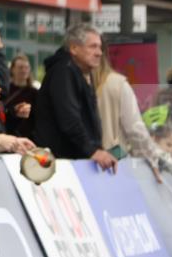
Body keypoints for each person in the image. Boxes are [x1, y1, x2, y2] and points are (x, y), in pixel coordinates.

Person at [34, 24, 117, 172]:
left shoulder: (78, 72)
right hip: (58, 165)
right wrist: (92, 151)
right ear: (74, 48)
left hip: (73, 162)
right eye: (93, 47)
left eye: (100, 47)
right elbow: (69, 119)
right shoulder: (64, 72)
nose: (99, 53)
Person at [4, 54, 38, 139]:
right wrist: (14, 111)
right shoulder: (5, 90)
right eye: (20, 67)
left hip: (27, 137)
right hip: (7, 135)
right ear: (12, 69)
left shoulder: (35, 93)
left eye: (26, 67)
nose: (24, 70)